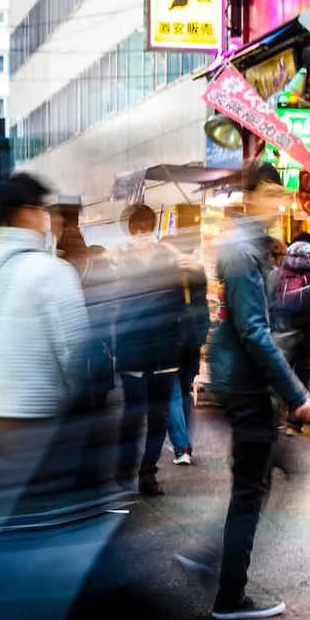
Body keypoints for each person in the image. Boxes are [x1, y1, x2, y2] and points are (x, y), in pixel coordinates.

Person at [196, 164, 310, 620]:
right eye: (270, 194)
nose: (277, 203)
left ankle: (213, 562)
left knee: (259, 476)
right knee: (251, 487)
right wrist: (296, 393)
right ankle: (230, 593)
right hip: (247, 385)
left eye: (280, 195)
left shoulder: (245, 246)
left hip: (239, 381)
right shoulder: (245, 251)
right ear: (250, 197)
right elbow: (253, 329)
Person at [0, 172, 89, 523]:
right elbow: (76, 351)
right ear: (26, 212)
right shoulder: (51, 271)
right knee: (39, 519)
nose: (46, 220)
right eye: (42, 211)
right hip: (38, 421)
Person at [111, 204, 183, 496]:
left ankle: (127, 469)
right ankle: (146, 473)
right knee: (157, 415)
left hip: (134, 349)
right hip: (163, 349)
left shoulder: (121, 261)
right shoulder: (169, 258)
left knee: (134, 412)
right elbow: (179, 303)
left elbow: (115, 305)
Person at [271, 231, 310, 424]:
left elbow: (268, 299)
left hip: (283, 331)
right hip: (308, 332)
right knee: (304, 374)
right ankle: (294, 422)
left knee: (282, 372)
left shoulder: (279, 273)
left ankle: (276, 416)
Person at [165, 241, 209, 467]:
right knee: (183, 391)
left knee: (172, 394)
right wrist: (201, 341)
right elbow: (204, 310)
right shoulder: (198, 272)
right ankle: (184, 442)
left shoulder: (165, 273)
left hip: (170, 340)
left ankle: (182, 446)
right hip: (191, 341)